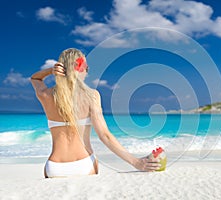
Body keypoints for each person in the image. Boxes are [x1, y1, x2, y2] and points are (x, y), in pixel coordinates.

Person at [31, 48, 161, 178]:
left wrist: (51, 71)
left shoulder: (46, 95)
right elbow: (105, 135)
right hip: (83, 164)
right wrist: (136, 162)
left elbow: (35, 79)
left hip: (54, 166)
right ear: (81, 68)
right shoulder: (91, 96)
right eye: (87, 68)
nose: (87, 73)